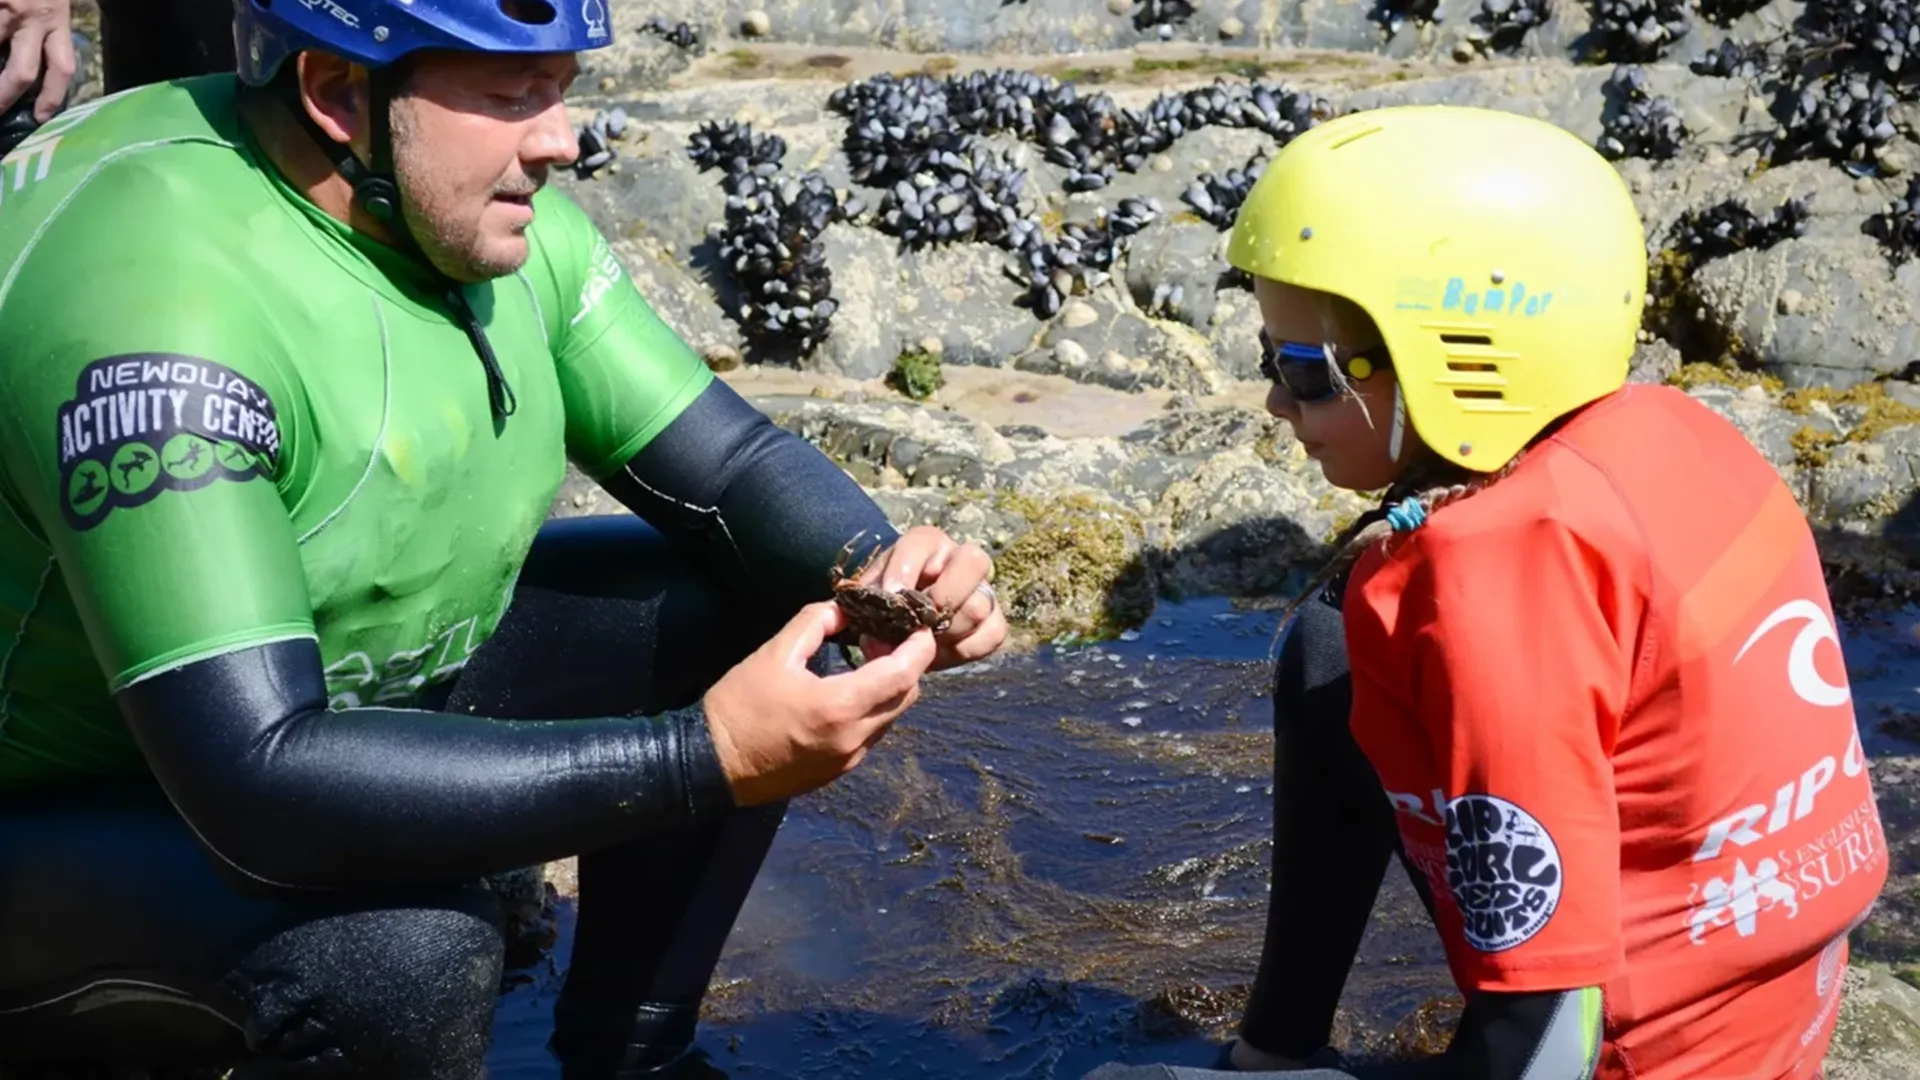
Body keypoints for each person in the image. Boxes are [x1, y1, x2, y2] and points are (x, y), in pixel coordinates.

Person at [0, 1, 1007, 1078]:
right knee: (406, 954)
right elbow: (256, 786)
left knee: (759, 604)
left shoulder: (465, 215)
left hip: (289, 706)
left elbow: (732, 471)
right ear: (340, 93)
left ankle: (635, 1059)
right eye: (510, 93)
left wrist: (886, 571)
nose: (563, 139)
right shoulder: (159, 321)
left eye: (562, 85)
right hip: (79, 801)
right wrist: (700, 758)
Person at [1084, 105, 1888, 1080]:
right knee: (1331, 645)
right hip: (1766, 1004)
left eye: (1305, 371)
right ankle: (1275, 1047)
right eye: (1270, 364)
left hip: (1629, 1051)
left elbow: (1547, 1038)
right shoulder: (1679, 435)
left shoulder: (1500, 579)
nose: (1276, 404)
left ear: (1460, 359)